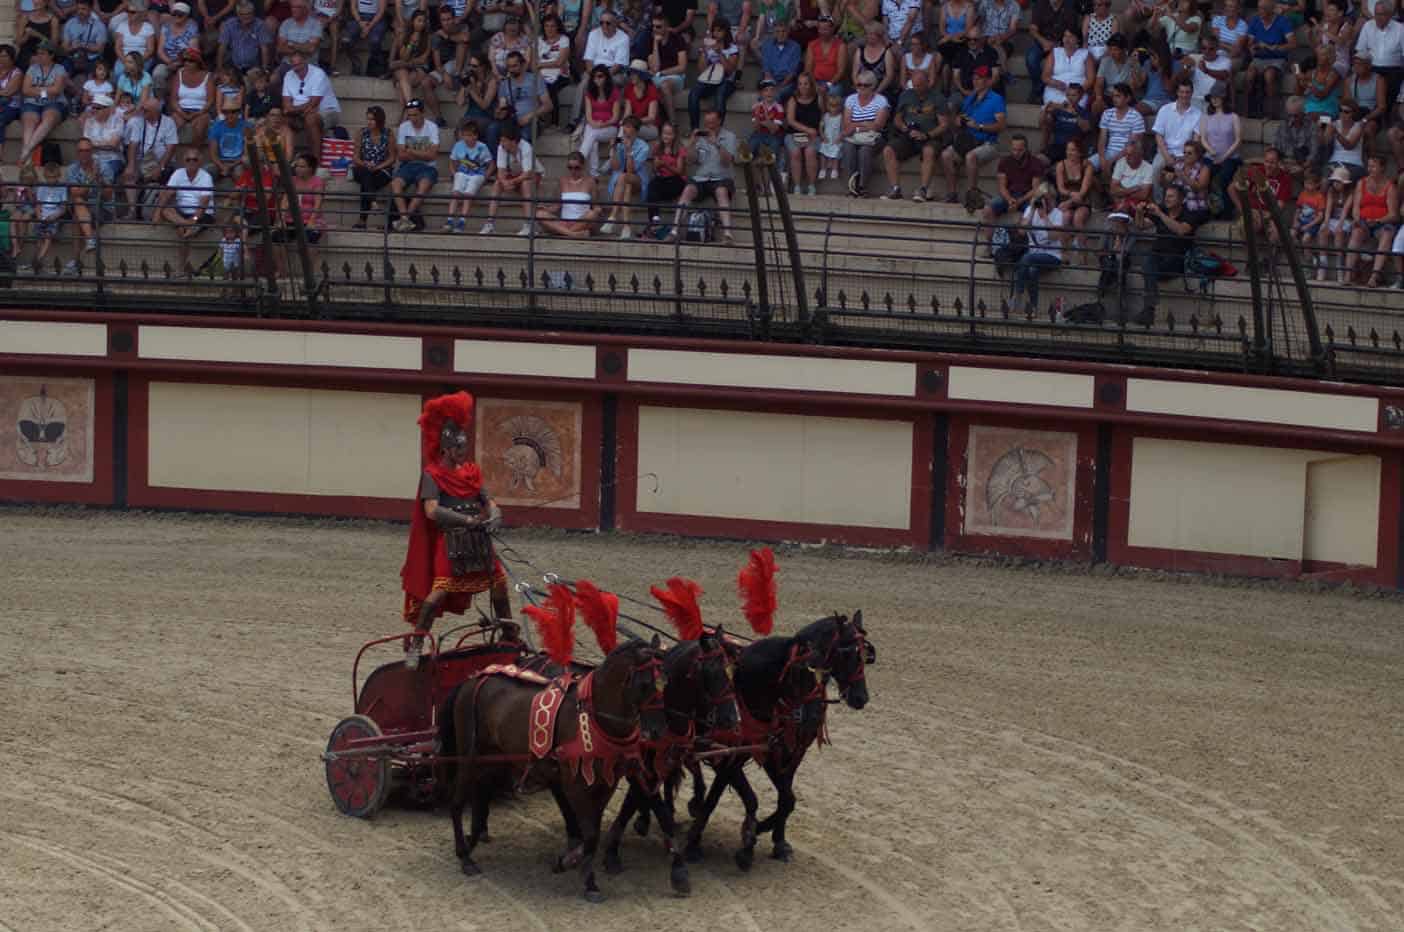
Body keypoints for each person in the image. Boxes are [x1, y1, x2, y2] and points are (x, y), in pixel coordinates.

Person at [399, 392, 511, 668]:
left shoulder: (471, 473)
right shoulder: (432, 475)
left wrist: (494, 513)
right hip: (451, 543)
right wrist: (466, 521)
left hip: (479, 542)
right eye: (459, 449)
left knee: (499, 583)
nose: (464, 453)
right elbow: (432, 510)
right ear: (447, 449)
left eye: (465, 447)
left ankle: (509, 635)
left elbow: (488, 500)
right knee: (438, 592)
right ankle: (417, 643)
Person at [1131, 183, 1198, 325]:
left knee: (1149, 268)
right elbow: (1141, 226)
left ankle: (1148, 310)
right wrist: (1139, 212)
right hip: (1157, 256)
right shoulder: (1162, 210)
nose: (1166, 199)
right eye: (1166, 196)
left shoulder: (1189, 214)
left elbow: (1181, 230)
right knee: (1148, 263)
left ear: (1181, 200)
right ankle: (1149, 309)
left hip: (1176, 258)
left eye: (1171, 196)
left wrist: (1160, 214)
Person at [669, 106, 736, 243]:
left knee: (721, 192)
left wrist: (717, 144)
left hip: (721, 178)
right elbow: (690, 160)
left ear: (719, 121)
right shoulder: (701, 137)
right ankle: (674, 231)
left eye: (711, 123)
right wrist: (692, 144)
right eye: (706, 123)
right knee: (688, 190)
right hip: (701, 178)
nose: (708, 126)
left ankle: (728, 234)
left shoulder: (730, 136)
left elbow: (727, 162)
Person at [940, 64, 1004, 204]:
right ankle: (952, 194)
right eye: (974, 78)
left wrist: (979, 126)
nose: (975, 81)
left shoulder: (996, 99)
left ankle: (972, 194)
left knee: (971, 157)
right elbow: (963, 117)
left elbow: (1000, 126)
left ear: (987, 80)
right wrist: (958, 120)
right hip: (968, 140)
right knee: (946, 155)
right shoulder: (970, 98)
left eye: (979, 78)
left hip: (989, 143)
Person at [880, 66, 946, 202]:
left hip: (930, 136)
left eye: (920, 85)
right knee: (888, 150)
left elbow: (944, 124)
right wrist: (906, 129)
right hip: (909, 135)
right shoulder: (906, 95)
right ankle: (895, 189)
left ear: (928, 82)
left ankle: (923, 189)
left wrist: (926, 135)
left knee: (928, 151)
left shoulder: (937, 97)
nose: (917, 88)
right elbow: (897, 119)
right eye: (915, 85)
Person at [1010, 184, 1066, 314]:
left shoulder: (1058, 214)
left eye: (1048, 199)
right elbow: (1022, 232)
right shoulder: (1030, 209)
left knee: (1027, 258)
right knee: (1032, 270)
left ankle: (1017, 294)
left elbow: (1054, 236)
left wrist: (1045, 217)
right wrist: (1033, 213)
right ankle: (1033, 308)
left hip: (1053, 256)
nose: (1045, 202)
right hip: (1033, 257)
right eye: (1042, 199)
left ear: (1053, 199)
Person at [158, 145, 214, 273]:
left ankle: (182, 268)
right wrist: (157, 212)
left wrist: (194, 219)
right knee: (166, 210)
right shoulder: (178, 173)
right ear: (184, 161)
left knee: (184, 234)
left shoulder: (206, 177)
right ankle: (185, 225)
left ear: (200, 161)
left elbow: (204, 204)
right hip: (182, 213)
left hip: (202, 213)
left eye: (194, 159)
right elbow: (167, 194)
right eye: (188, 159)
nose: (191, 162)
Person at [979, 133, 1044, 239]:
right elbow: (1002, 186)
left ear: (1026, 149)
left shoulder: (1036, 163)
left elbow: (1035, 189)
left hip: (1027, 197)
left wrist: (1019, 202)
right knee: (987, 210)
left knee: (1031, 214)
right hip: (1009, 195)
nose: (1016, 153)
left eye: (1020, 150)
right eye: (1014, 149)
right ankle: (989, 244)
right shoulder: (1004, 162)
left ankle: (1022, 246)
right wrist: (1009, 199)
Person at [480, 122, 541, 235]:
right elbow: (500, 171)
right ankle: (490, 223)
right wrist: (504, 182)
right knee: (497, 184)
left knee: (525, 184)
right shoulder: (501, 148)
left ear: (513, 141)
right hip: (514, 174)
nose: (501, 143)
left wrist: (511, 182)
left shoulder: (526, 147)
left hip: (533, 175)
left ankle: (528, 225)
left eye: (504, 140)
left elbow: (528, 173)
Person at [1346, 154, 1398, 287]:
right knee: (1356, 232)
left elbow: (1393, 214)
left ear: (1382, 168)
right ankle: (1348, 274)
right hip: (1363, 220)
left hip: (1382, 222)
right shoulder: (1361, 183)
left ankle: (1374, 276)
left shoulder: (1390, 187)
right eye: (1369, 166)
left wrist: (1377, 220)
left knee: (1386, 234)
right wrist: (1357, 219)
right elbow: (1356, 207)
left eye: (1373, 166)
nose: (1370, 169)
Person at [575, 6, 631, 127]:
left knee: (614, 82)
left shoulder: (623, 38)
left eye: (608, 23)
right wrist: (595, 75)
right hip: (594, 71)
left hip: (615, 72)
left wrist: (603, 76)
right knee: (584, 83)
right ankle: (575, 120)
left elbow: (618, 65)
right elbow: (588, 60)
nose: (604, 26)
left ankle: (610, 118)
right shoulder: (593, 34)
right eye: (601, 22)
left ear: (615, 24)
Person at [121, 93, 177, 215]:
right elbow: (133, 144)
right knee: (129, 176)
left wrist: (160, 167)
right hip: (143, 160)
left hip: (161, 161)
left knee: (163, 175)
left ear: (155, 112)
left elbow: (171, 148)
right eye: (142, 109)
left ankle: (154, 211)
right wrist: (131, 165)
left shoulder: (168, 123)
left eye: (145, 110)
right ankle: (132, 210)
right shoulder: (138, 121)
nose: (142, 112)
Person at [280, 49, 340, 159]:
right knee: (282, 120)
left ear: (306, 61)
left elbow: (314, 103)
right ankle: (287, 158)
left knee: (310, 119)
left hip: (328, 110)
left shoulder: (318, 74)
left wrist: (293, 109)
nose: (296, 68)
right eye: (294, 65)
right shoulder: (288, 75)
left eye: (299, 64)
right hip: (301, 113)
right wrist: (296, 109)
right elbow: (286, 105)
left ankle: (315, 160)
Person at [389, 98, 438, 232]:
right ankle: (405, 219)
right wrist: (423, 152)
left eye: (415, 114)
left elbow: (432, 156)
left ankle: (405, 219)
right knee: (395, 184)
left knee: (423, 186)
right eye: (410, 115)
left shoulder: (432, 127)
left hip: (428, 167)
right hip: (408, 166)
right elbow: (401, 155)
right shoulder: (404, 127)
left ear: (423, 113)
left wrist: (410, 150)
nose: (412, 118)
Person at [272, 150, 323, 277]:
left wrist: (312, 221)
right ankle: (282, 270)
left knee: (310, 239)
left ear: (310, 168)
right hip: (291, 219)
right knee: (276, 238)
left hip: (310, 219)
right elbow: (284, 201)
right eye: (297, 166)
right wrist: (282, 219)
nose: (298, 169)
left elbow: (318, 203)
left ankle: (309, 273)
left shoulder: (318, 182)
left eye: (302, 166)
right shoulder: (292, 181)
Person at [840, 69, 889, 197]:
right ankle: (851, 186)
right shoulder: (850, 99)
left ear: (873, 86)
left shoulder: (881, 101)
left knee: (865, 150)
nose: (861, 88)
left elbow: (878, 126)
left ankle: (862, 186)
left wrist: (856, 126)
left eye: (865, 85)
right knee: (848, 148)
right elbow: (846, 125)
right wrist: (865, 124)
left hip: (874, 138)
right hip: (854, 137)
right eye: (859, 84)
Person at [600, 115, 650, 236]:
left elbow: (630, 170)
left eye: (628, 126)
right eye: (624, 126)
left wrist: (629, 151)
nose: (625, 129)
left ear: (635, 130)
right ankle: (626, 226)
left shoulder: (644, 147)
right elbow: (615, 166)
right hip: (624, 180)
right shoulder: (620, 143)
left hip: (637, 178)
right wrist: (613, 148)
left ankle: (612, 216)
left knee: (624, 177)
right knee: (626, 186)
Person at [1245, 0, 1294, 119]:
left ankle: (1271, 112)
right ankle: (1250, 111)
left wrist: (1275, 47)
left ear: (1272, 9)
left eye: (1263, 8)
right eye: (1259, 8)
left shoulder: (1283, 21)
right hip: (1259, 57)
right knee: (1249, 75)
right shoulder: (1255, 21)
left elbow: (1292, 44)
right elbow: (1249, 43)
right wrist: (1252, 48)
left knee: (1269, 75)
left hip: (1277, 58)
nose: (1260, 11)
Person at [689, 17, 739, 130]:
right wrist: (704, 53)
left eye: (719, 31)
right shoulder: (708, 46)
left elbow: (730, 70)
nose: (715, 33)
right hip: (709, 80)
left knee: (720, 95)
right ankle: (695, 129)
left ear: (725, 32)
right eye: (714, 30)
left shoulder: (732, 48)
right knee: (693, 94)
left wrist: (720, 53)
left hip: (727, 81)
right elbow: (701, 70)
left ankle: (718, 130)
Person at [536, 149, 602, 237]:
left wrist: (597, 210)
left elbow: (595, 205)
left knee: (592, 214)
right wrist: (546, 209)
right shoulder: (562, 180)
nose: (573, 171)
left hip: (581, 221)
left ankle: (563, 232)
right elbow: (557, 206)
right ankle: (572, 234)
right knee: (540, 214)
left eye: (577, 168)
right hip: (564, 222)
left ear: (583, 166)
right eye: (570, 167)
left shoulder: (590, 182)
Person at [1026, 0, 1081, 104]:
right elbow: (1033, 29)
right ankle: (1038, 89)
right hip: (1042, 41)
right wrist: (1044, 42)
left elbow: (1072, 32)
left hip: (1062, 43)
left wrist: (1057, 46)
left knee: (1053, 63)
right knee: (1031, 58)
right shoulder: (1040, 4)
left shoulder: (1070, 7)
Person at [1151, 80, 1201, 195]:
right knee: (1155, 169)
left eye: (1187, 92)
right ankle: (1159, 204)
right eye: (1181, 92)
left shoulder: (1198, 114)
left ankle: (1181, 205)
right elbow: (1158, 136)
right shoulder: (1165, 109)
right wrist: (1167, 157)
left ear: (1192, 93)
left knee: (1183, 175)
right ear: (1177, 93)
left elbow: (1195, 141)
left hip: (1186, 154)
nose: (1184, 95)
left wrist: (1184, 157)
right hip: (1165, 152)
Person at [443, 119, 492, 232]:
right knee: (456, 192)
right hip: (462, 173)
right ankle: (449, 220)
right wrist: (454, 173)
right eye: (464, 135)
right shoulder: (458, 145)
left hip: (477, 174)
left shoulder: (482, 147)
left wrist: (485, 176)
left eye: (469, 135)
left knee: (467, 195)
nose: (466, 138)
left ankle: (462, 221)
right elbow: (452, 161)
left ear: (475, 136)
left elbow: (491, 164)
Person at [495, 50, 551, 145]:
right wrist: (500, 113)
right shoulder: (504, 84)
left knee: (523, 136)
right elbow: (502, 105)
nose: (511, 70)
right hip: (512, 121)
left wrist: (529, 116)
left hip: (532, 121)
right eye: (509, 66)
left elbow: (548, 105)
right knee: (493, 130)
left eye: (514, 66)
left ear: (523, 65)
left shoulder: (535, 79)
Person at [642, 12, 689, 125]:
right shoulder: (651, 40)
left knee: (664, 85)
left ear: (667, 27)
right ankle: (656, 123)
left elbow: (682, 67)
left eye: (658, 26)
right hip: (657, 76)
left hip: (675, 77)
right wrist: (655, 44)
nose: (655, 29)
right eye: (653, 26)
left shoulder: (678, 39)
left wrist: (662, 73)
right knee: (644, 84)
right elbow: (655, 67)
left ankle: (673, 123)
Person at [350, 104, 393, 228]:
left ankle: (362, 220)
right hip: (362, 167)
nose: (369, 122)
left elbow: (392, 158)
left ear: (380, 120)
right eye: (367, 119)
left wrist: (379, 167)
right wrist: (365, 164)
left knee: (366, 182)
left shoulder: (388, 133)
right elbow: (355, 157)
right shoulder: (361, 133)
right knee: (366, 174)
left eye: (372, 119)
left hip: (382, 169)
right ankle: (373, 201)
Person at [1106, 139, 1152, 252]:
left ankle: (1117, 243)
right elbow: (1112, 189)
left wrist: (1121, 189)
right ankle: (1119, 248)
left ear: (1140, 154)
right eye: (1126, 154)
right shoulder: (1121, 162)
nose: (1127, 157)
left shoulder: (1148, 168)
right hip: (1121, 202)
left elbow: (1144, 194)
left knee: (1122, 208)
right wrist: (1133, 189)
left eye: (1130, 155)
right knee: (1122, 207)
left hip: (1137, 205)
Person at [1355, 2, 1404, 107]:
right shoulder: (1368, 26)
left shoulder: (1400, 29)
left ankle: (1385, 115)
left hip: (1393, 70)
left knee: (1392, 84)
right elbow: (1360, 51)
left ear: (1390, 15)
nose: (1377, 17)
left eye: (1381, 14)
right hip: (1371, 68)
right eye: (1376, 14)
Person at [580, 64, 622, 177]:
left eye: (600, 76)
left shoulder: (614, 93)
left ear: (606, 77)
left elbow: (615, 118)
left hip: (610, 127)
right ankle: (594, 174)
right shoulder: (589, 93)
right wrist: (594, 123)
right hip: (593, 125)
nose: (596, 79)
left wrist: (602, 124)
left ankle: (579, 159)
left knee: (590, 134)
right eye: (594, 77)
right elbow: (588, 116)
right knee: (592, 137)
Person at [644, 120, 687, 230]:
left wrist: (665, 164)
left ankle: (654, 224)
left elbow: (679, 171)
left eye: (669, 134)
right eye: (664, 133)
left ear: (674, 135)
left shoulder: (680, 149)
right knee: (652, 185)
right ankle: (655, 220)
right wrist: (657, 165)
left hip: (677, 180)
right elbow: (655, 169)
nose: (666, 136)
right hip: (663, 179)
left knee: (657, 190)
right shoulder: (658, 148)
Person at [1054, 137, 1093, 257]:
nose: (1070, 153)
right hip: (1066, 198)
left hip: (1082, 201)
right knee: (1065, 217)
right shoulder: (1060, 165)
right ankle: (1063, 253)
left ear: (1080, 152)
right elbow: (1060, 188)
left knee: (1078, 218)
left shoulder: (1087, 166)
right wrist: (1070, 195)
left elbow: (1083, 191)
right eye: (1068, 150)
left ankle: (1083, 254)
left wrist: (1070, 202)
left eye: (1073, 150)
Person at [167, 47, 213, 148]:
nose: (187, 63)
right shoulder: (179, 74)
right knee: (172, 126)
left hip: (201, 111)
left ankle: (193, 153)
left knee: (200, 128)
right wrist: (181, 113)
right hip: (181, 109)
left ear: (198, 63)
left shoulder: (208, 76)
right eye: (185, 60)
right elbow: (173, 100)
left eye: (191, 61)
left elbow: (210, 101)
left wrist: (198, 113)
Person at [1094, 81, 1142, 175]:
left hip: (1126, 154)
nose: (1114, 99)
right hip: (1108, 152)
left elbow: (1131, 145)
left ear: (1127, 98)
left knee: (1115, 167)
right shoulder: (1107, 113)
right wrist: (1102, 158)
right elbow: (1102, 140)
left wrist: (1111, 161)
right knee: (1087, 165)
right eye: (1113, 96)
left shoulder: (1136, 116)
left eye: (1118, 96)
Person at [1092, 33, 1138, 121]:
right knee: (1096, 106)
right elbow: (1099, 83)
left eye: (1115, 50)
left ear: (1124, 50)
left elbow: (1133, 87)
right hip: (1108, 95)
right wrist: (1099, 98)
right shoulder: (1105, 61)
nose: (1112, 53)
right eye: (1110, 49)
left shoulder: (1132, 63)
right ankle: (1097, 133)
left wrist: (1134, 67)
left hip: (1125, 97)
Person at [152, 2, 199, 88]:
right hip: (167, 61)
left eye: (180, 15)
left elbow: (193, 51)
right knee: (157, 73)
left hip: (186, 62)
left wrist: (179, 63)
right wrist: (170, 62)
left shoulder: (192, 27)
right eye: (174, 14)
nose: (176, 17)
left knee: (184, 73)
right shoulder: (166, 27)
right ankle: (160, 99)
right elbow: (160, 51)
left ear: (187, 16)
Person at [537, 13, 572, 124]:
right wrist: (539, 68)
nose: (549, 29)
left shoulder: (564, 40)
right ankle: (541, 120)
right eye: (547, 26)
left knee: (550, 88)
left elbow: (560, 62)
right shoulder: (539, 40)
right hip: (541, 74)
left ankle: (554, 122)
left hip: (561, 74)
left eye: (552, 26)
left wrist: (541, 65)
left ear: (558, 27)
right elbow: (533, 62)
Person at [59, 0, 107, 82]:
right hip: (72, 58)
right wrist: (73, 48)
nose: (80, 12)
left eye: (83, 9)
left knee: (95, 78)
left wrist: (83, 46)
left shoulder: (99, 26)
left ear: (91, 9)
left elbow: (100, 49)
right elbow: (65, 47)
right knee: (60, 76)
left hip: (91, 59)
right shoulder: (70, 23)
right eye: (78, 9)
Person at [274, 0, 322, 79]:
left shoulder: (316, 24)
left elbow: (311, 49)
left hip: (308, 64)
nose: (294, 9)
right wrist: (302, 47)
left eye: (298, 7)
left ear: (305, 9)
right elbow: (280, 48)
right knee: (273, 79)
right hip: (288, 64)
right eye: (292, 7)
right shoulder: (286, 24)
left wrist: (291, 44)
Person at [851, 21, 896, 105]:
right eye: (868, 34)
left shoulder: (887, 53)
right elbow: (854, 73)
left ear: (880, 36)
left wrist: (876, 92)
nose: (869, 36)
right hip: (861, 87)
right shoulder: (860, 50)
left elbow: (889, 76)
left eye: (873, 34)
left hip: (880, 90)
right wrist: (860, 88)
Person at [804, 14, 846, 99]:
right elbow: (808, 69)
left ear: (832, 29)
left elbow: (841, 71)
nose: (822, 32)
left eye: (825, 29)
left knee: (833, 92)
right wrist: (815, 85)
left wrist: (828, 85)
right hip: (815, 81)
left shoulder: (841, 45)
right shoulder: (812, 45)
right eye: (820, 29)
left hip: (833, 82)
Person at [1322, 98, 1366, 181]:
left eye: (1346, 112)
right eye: (1340, 110)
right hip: (1335, 161)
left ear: (1353, 113)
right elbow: (1324, 142)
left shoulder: (1359, 126)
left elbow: (1349, 146)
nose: (1342, 114)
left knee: (1339, 179)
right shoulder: (1334, 124)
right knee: (1325, 181)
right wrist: (1319, 130)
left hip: (1354, 163)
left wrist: (1336, 133)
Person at [342, 0, 388, 76]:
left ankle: (375, 63)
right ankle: (355, 62)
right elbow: (353, 8)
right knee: (346, 40)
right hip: (358, 17)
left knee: (375, 41)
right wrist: (361, 23)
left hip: (376, 18)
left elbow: (381, 10)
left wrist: (368, 27)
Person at [206, 99, 249, 180]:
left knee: (239, 173)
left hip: (238, 162)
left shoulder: (246, 127)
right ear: (223, 113)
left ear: (238, 113)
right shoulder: (216, 127)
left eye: (233, 112)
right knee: (208, 171)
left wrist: (230, 166)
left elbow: (246, 154)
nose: (230, 114)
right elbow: (213, 154)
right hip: (220, 161)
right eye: (227, 112)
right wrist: (222, 166)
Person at [953, 28, 1001, 97]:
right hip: (965, 91)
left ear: (981, 39)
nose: (972, 42)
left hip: (986, 90)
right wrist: (963, 90)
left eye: (975, 39)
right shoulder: (960, 53)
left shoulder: (991, 53)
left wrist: (980, 90)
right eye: (969, 39)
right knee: (952, 104)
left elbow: (996, 76)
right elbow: (956, 76)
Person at [0, 46, 27, 141]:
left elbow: (8, 92)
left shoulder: (17, 73)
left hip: (12, 107)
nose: (1, 59)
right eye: (0, 56)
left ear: (12, 58)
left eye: (5, 56)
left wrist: (3, 93)